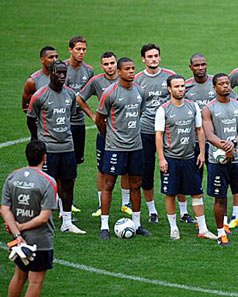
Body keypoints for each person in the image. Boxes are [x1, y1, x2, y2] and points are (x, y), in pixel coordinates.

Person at [155, 74, 217, 241]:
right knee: (171, 194)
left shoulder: (193, 107)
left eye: (182, 86)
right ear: (169, 89)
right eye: (176, 86)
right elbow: (159, 136)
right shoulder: (163, 110)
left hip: (190, 157)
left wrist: (202, 153)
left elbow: (199, 130)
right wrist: (161, 159)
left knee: (197, 193)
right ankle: (173, 228)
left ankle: (203, 229)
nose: (180, 89)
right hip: (171, 159)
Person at [27, 60, 85, 234]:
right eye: (58, 73)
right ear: (51, 73)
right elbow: (30, 118)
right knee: (45, 186)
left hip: (67, 147)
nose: (62, 76)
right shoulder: (39, 95)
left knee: (68, 184)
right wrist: (39, 139)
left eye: (64, 73)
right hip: (49, 149)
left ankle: (67, 221)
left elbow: (71, 114)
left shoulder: (70, 94)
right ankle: (41, 220)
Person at [95, 57, 151, 239]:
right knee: (109, 184)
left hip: (136, 146)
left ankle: (137, 223)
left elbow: (140, 113)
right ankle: (104, 226)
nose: (132, 72)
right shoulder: (110, 93)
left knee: (136, 184)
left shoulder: (141, 92)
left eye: (133, 68)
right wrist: (109, 136)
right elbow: (99, 119)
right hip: (114, 147)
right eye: (127, 69)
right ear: (119, 72)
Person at [76, 51, 132, 217]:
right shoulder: (96, 81)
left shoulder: (126, 79)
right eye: (106, 64)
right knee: (102, 169)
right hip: (105, 132)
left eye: (112, 63)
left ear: (117, 64)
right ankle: (101, 205)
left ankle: (125, 203)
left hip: (125, 133)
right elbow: (79, 98)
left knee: (127, 169)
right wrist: (93, 116)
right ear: (102, 66)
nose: (110, 67)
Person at [184, 53, 238, 226]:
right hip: (194, 142)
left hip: (219, 144)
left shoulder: (218, 83)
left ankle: (223, 220)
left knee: (222, 183)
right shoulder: (185, 87)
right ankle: (189, 215)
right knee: (194, 180)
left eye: (203, 64)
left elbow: (234, 105)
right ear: (191, 67)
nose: (201, 68)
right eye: (197, 65)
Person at [2, 140, 57, 297]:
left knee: (19, 277)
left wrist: (17, 234)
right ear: (44, 157)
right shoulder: (48, 182)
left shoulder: (12, 177)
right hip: (40, 241)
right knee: (35, 282)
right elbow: (43, 218)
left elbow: (5, 209)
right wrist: (21, 228)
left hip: (20, 240)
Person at [203, 73, 238, 245]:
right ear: (214, 87)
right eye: (221, 84)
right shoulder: (208, 109)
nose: (225, 86)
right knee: (220, 198)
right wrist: (225, 147)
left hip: (237, 160)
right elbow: (209, 134)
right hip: (217, 160)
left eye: (227, 83)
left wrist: (233, 143)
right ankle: (221, 233)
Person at [135, 43, 176, 224]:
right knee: (147, 170)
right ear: (143, 59)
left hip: (167, 131)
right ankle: (152, 210)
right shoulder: (137, 80)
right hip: (145, 130)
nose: (153, 59)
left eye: (156, 56)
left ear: (160, 57)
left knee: (173, 168)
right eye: (149, 56)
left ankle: (181, 211)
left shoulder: (170, 77)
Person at [65, 35, 94, 168]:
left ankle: (70, 189)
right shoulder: (61, 68)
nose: (81, 52)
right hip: (63, 120)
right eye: (78, 49)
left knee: (75, 162)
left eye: (84, 49)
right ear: (70, 50)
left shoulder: (89, 71)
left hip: (78, 121)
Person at [22, 46, 59, 113]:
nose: (55, 60)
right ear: (42, 60)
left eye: (56, 57)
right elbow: (25, 108)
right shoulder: (32, 81)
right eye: (51, 57)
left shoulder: (62, 77)